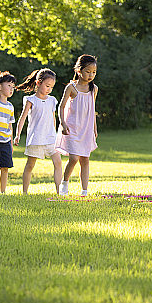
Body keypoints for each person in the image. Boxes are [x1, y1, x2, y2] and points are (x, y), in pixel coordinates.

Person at [13, 68, 62, 194]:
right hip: (36, 139)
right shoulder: (31, 100)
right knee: (30, 165)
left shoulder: (52, 100)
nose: (49, 89)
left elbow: (53, 119)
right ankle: (24, 193)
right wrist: (17, 134)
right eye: (47, 86)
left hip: (51, 138)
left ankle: (59, 192)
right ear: (38, 83)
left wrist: (57, 135)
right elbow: (22, 118)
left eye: (51, 87)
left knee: (58, 163)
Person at [55, 54, 98, 197]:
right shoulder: (71, 88)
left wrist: (94, 129)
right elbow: (61, 107)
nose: (91, 75)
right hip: (72, 128)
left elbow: (92, 109)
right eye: (88, 71)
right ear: (79, 71)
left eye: (94, 72)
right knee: (73, 158)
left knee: (85, 159)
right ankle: (64, 183)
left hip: (86, 129)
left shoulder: (94, 89)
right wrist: (63, 123)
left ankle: (84, 191)